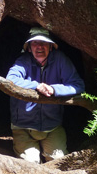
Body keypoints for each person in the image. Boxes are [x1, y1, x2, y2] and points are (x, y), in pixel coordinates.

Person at [6, 27, 85, 164]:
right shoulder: (23, 61)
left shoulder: (60, 60)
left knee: (58, 162)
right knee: (30, 164)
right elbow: (10, 80)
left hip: (52, 126)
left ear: (50, 47)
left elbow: (77, 85)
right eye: (35, 43)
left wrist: (54, 89)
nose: (39, 47)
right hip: (24, 127)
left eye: (43, 43)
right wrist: (36, 86)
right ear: (29, 48)